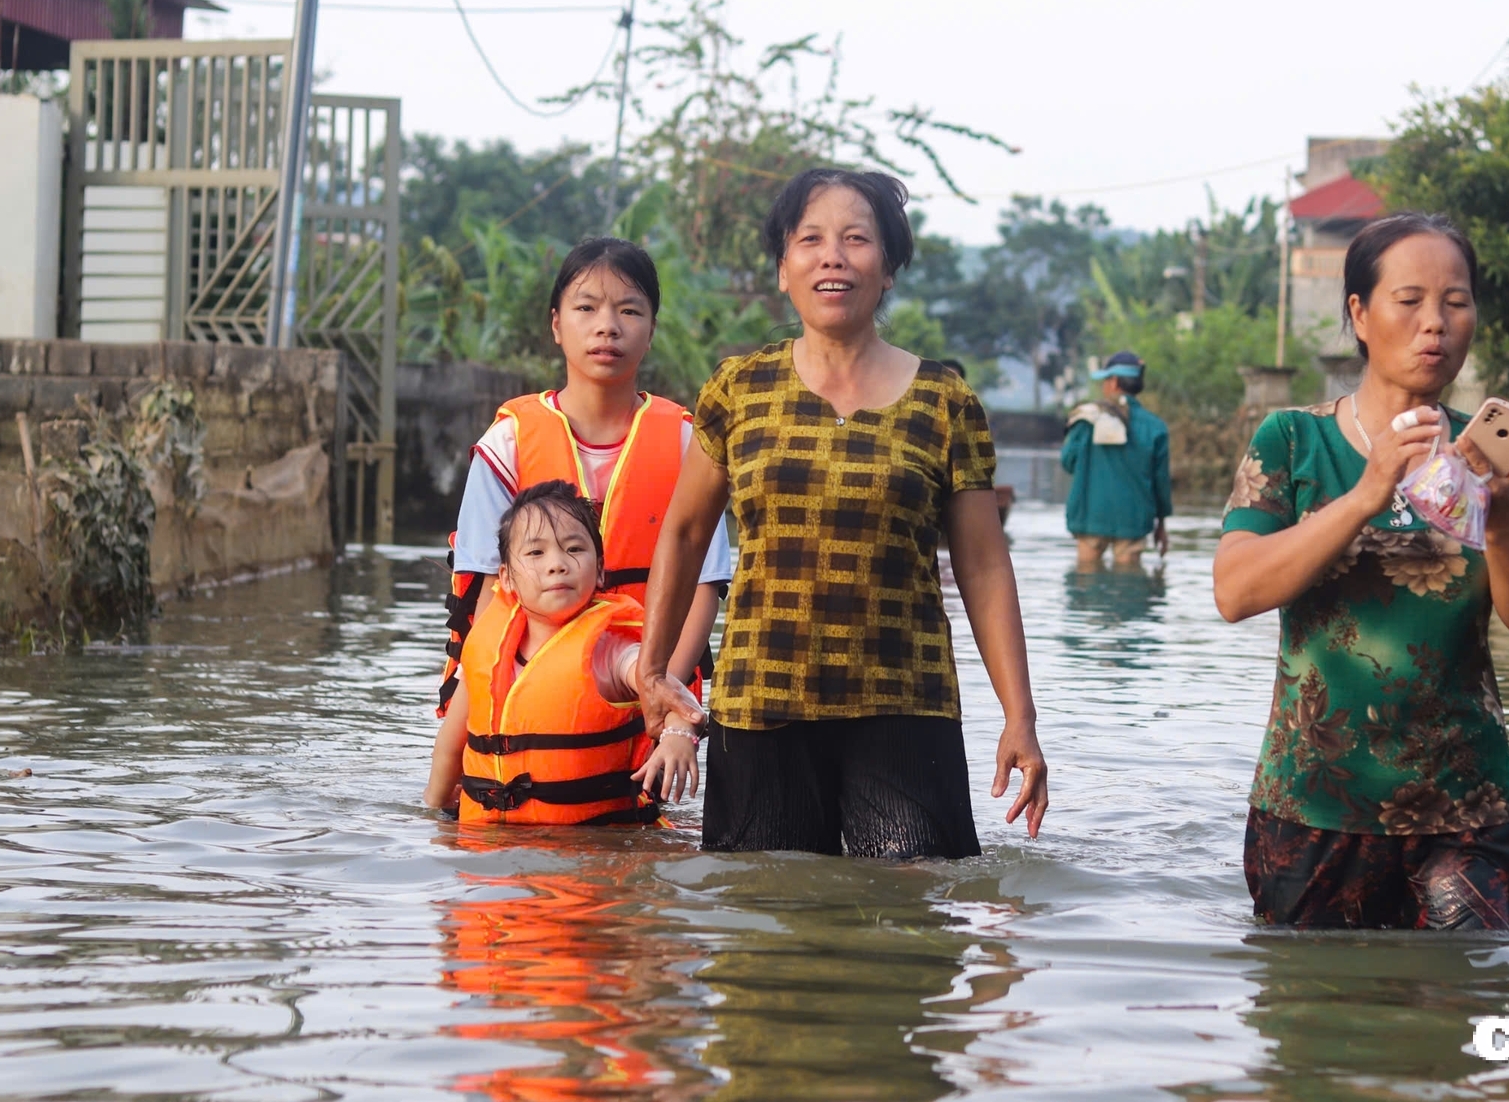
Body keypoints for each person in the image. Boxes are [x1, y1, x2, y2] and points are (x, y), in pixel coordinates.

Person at [633, 167, 1049, 858]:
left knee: (911, 932)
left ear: (887, 269)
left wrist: (1020, 718)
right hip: (762, 701)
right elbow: (682, 531)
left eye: (857, 239)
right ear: (783, 270)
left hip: (905, 703)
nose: (833, 255)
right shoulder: (738, 389)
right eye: (811, 240)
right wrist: (652, 670)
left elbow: (982, 565)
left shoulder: (944, 402)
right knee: (761, 924)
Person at [1212, 211, 1509, 930]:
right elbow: (1235, 591)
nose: (1434, 323)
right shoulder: (1293, 440)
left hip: (1469, 809)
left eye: (1456, 301)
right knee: (1318, 1023)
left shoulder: (1492, 455)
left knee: (1467, 1017)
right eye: (1409, 301)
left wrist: (1499, 520)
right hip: (1312, 805)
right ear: (1360, 314)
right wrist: (1367, 493)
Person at [436, 238, 733, 719]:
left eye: (629, 311)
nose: (607, 327)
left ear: (652, 329)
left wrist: (663, 693)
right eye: (586, 307)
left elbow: (703, 590)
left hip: (650, 690)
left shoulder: (688, 445)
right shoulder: (507, 444)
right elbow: (486, 588)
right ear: (556, 324)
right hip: (528, 690)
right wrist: (521, 693)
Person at [425, 481, 700, 825]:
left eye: (573, 549)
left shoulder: (612, 651)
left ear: (599, 569)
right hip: (490, 852)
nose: (557, 564)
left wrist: (677, 735)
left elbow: (671, 695)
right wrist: (432, 821)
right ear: (506, 578)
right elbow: (451, 747)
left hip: (592, 848)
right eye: (536, 553)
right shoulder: (487, 648)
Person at [1061, 351, 1172, 569]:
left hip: (1089, 515)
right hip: (1133, 519)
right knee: (1128, 589)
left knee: (1085, 580)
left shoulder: (1086, 420)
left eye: (1105, 380)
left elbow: (1067, 461)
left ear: (1113, 382)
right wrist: (1161, 524)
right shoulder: (1155, 427)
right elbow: (1161, 483)